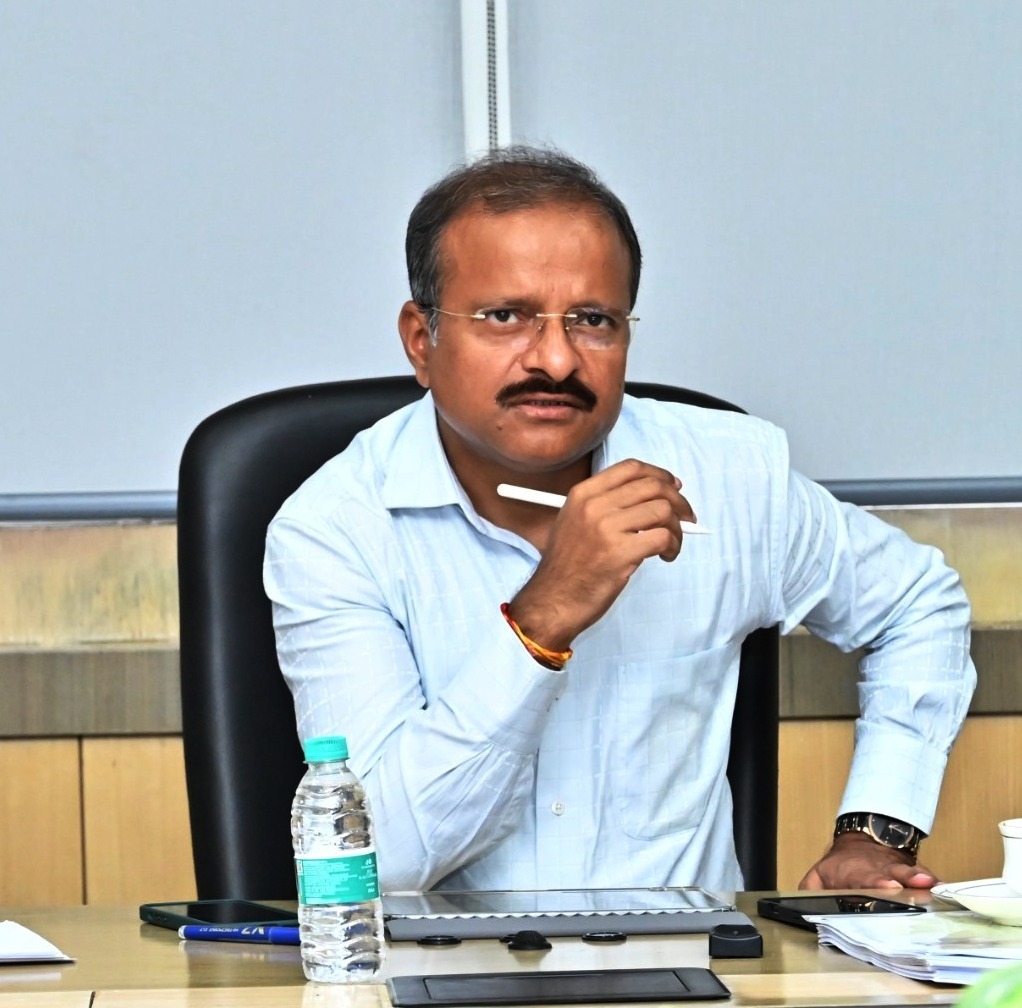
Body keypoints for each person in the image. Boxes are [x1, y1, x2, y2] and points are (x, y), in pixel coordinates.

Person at [264, 145, 976, 894]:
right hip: (443, 959)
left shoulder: (726, 477)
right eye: (505, 317)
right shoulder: (336, 529)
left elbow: (918, 605)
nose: (557, 361)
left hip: (685, 953)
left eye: (593, 321)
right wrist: (544, 616)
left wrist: (876, 833)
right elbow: (379, 861)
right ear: (421, 339)